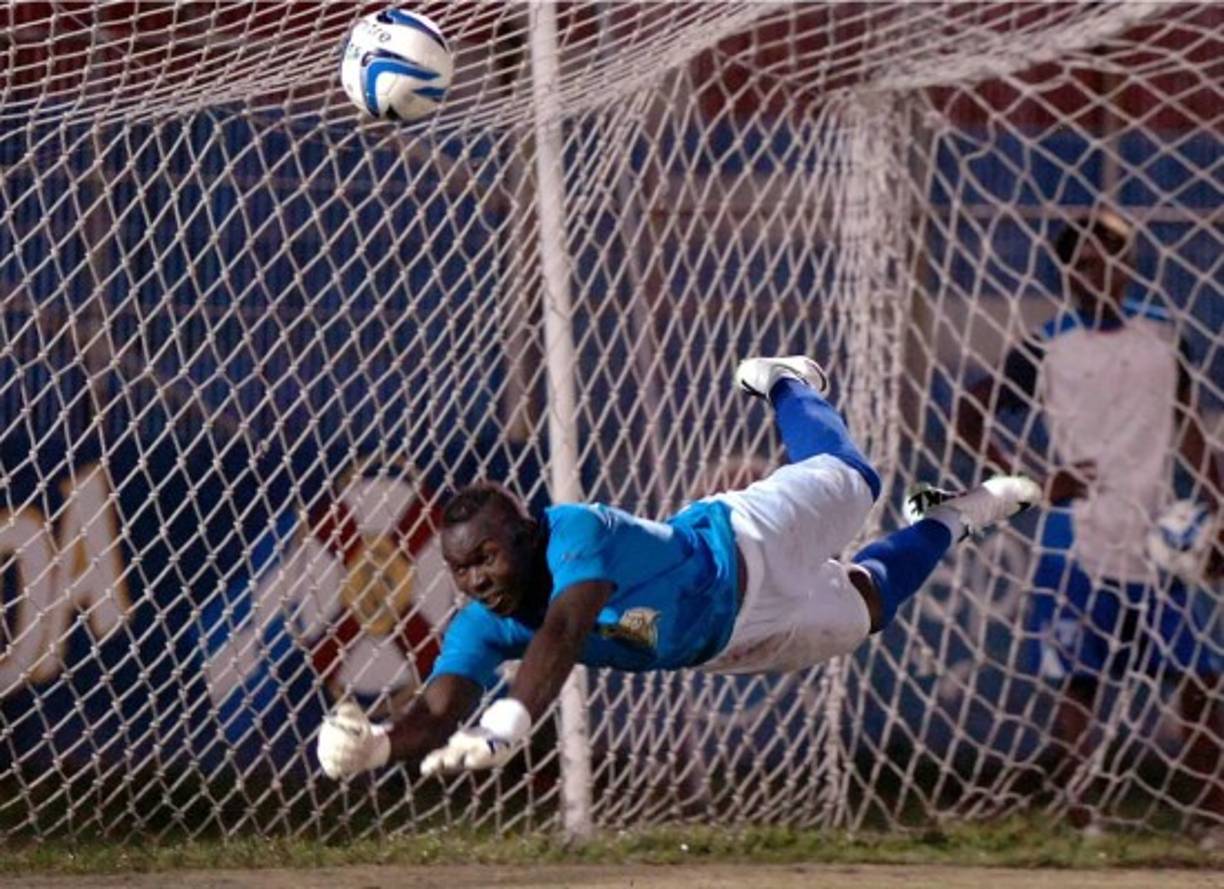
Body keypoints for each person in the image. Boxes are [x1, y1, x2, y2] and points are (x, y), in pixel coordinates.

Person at [316, 355, 1040, 780]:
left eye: (486, 557)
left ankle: (788, 383)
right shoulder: (486, 622)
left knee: (855, 481)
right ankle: (952, 517)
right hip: (728, 639)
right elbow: (439, 708)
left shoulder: (576, 531)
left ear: (527, 535)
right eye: (460, 568)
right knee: (868, 608)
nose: (475, 579)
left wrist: (510, 719)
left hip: (749, 540)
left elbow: (566, 628)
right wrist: (375, 746)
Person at [953, 208, 1224, 835]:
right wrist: (1033, 482)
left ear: (1131, 266)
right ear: (1068, 271)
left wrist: (1217, 500)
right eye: (1089, 262)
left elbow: (1187, 427)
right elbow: (971, 409)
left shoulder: (1164, 337)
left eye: (1116, 258)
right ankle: (1081, 820)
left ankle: (1211, 818)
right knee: (1080, 682)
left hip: (1156, 534)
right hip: (1075, 534)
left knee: (1199, 677)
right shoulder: (1049, 344)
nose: (1105, 271)